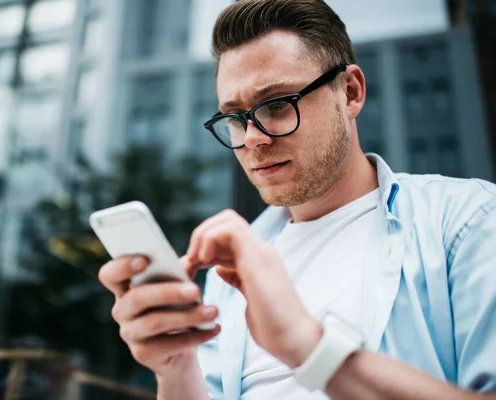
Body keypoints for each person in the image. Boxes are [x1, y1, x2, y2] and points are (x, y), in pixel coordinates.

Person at [98, 0, 496, 398]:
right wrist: (175, 369)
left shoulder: (468, 222)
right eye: (235, 117)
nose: (252, 137)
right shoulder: (231, 272)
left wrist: (311, 349)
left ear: (351, 93)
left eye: (276, 105)